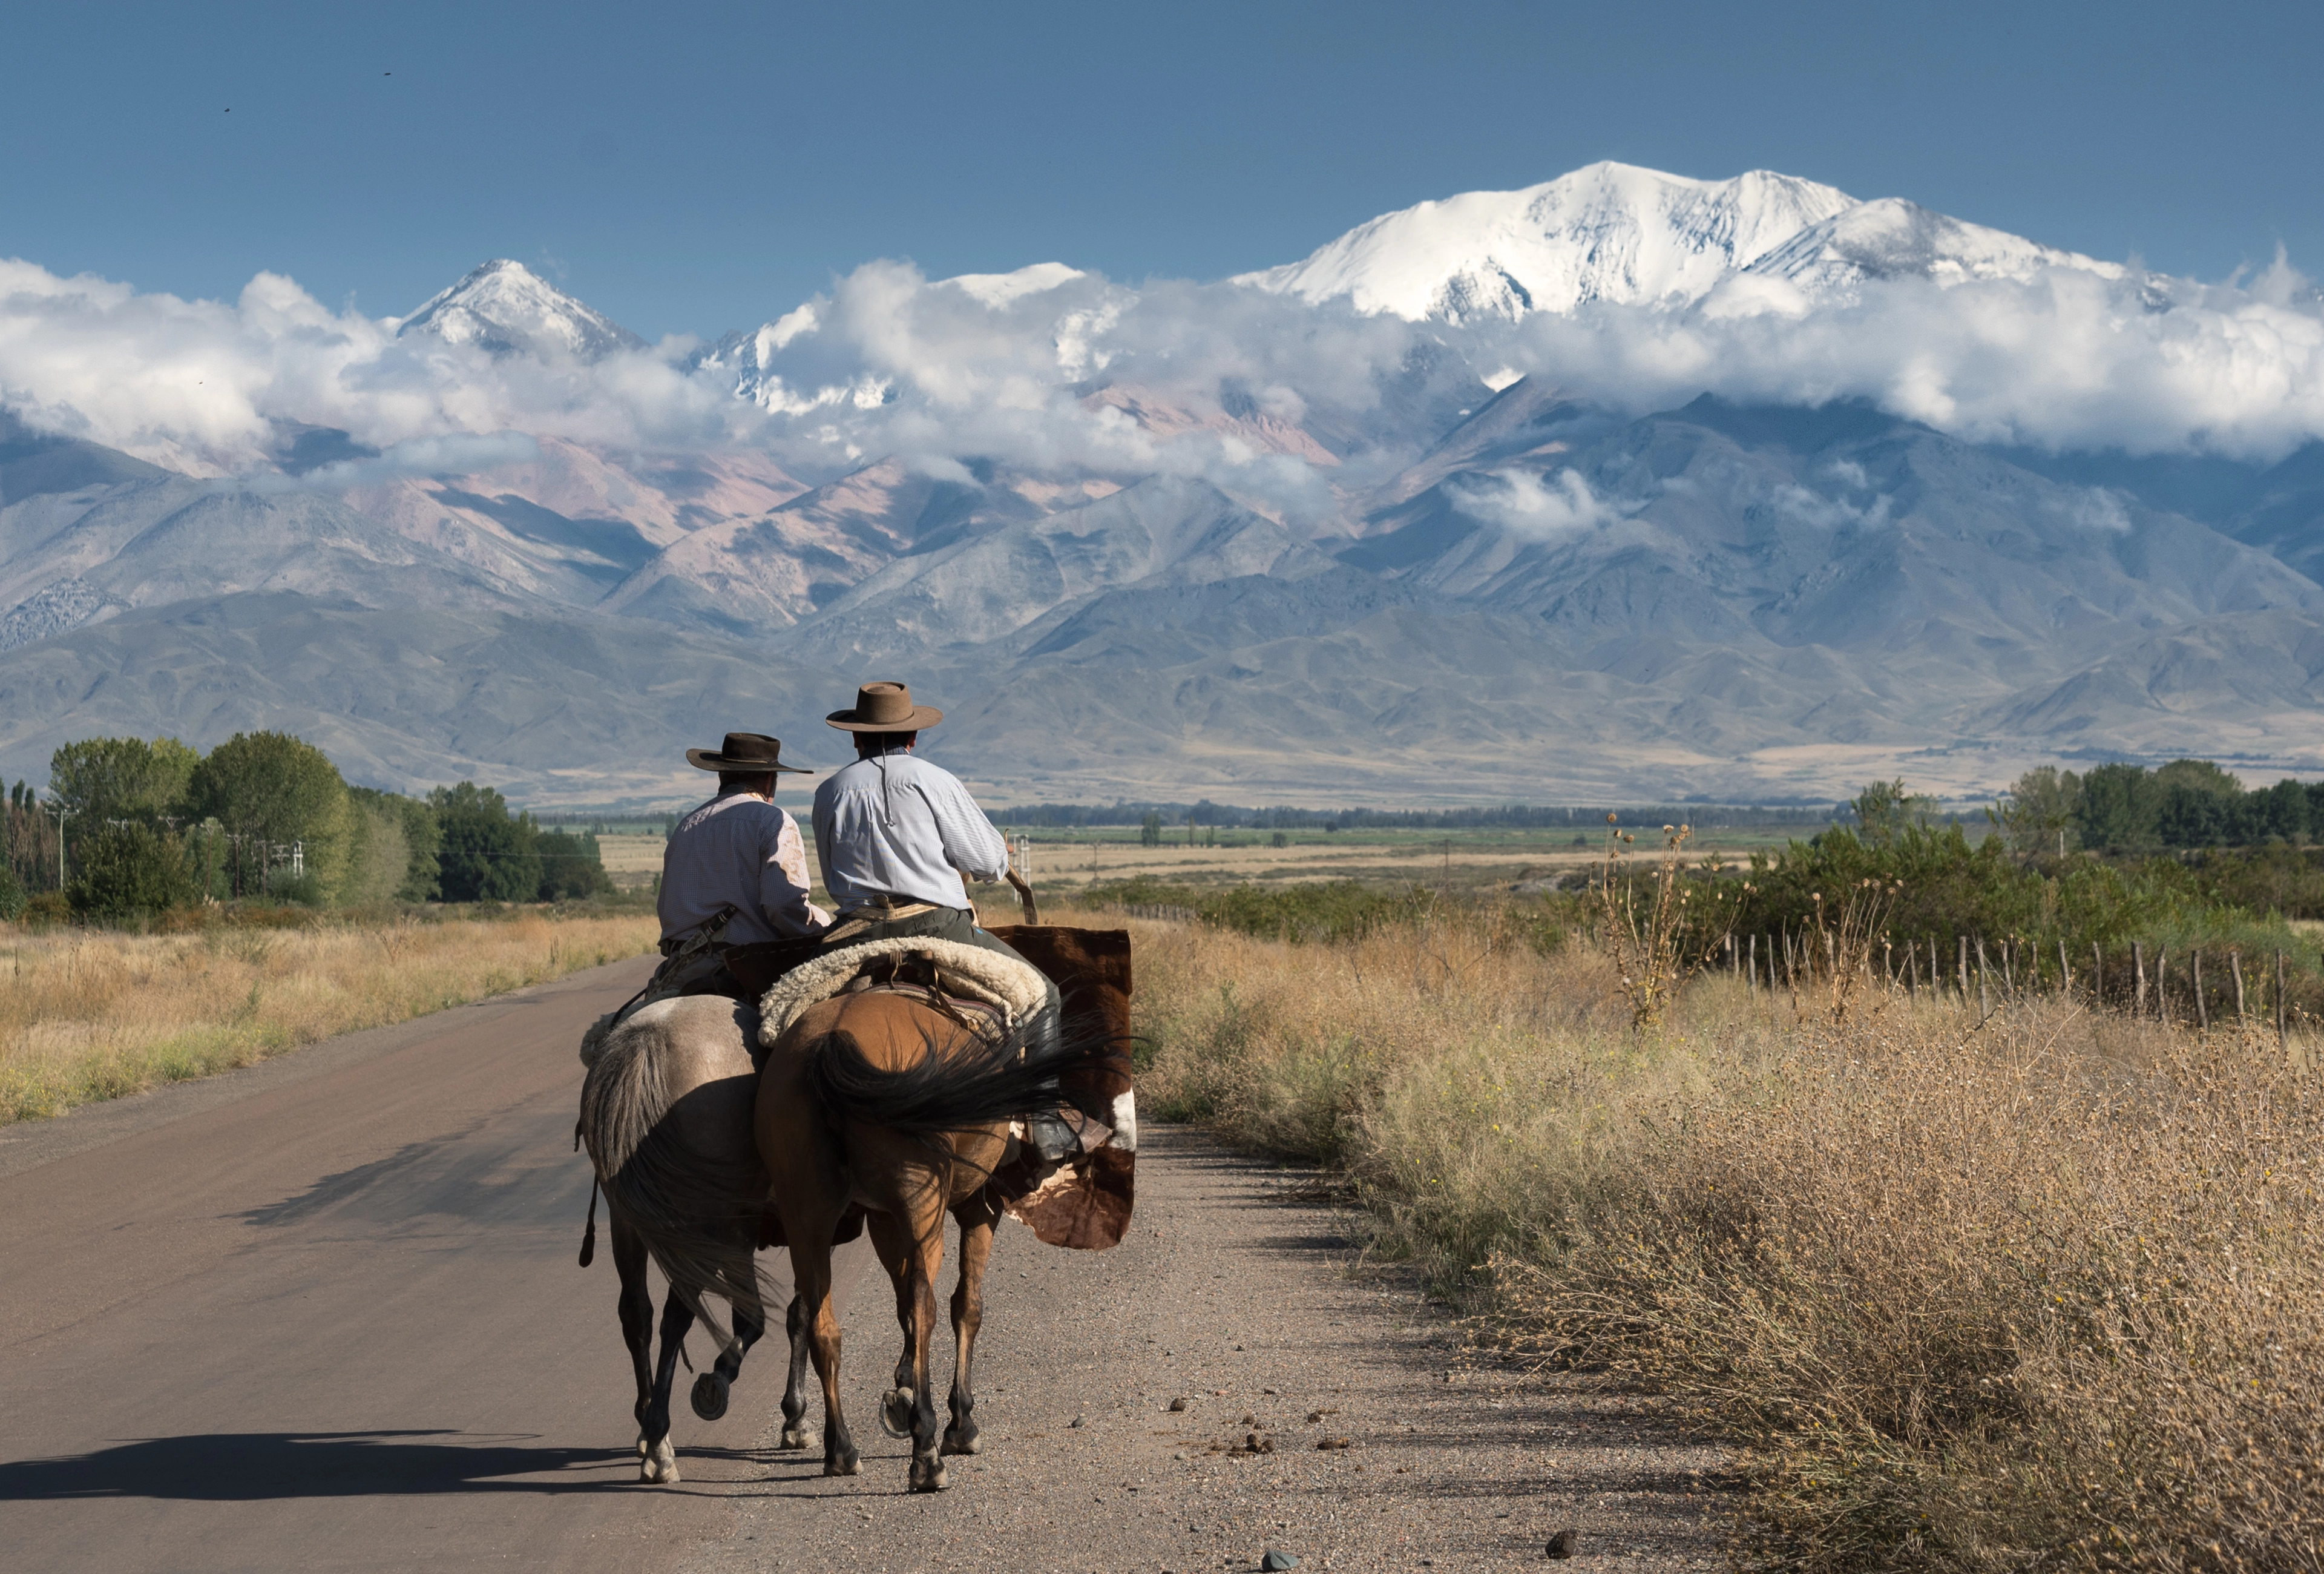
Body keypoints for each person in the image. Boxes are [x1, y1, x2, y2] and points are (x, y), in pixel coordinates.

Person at [812, 682, 1071, 1154]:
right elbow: (989, 862)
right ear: (913, 737)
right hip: (937, 928)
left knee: (781, 1011)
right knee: (1042, 996)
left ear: (855, 738)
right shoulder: (934, 780)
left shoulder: (830, 791)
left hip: (855, 933)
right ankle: (1047, 1125)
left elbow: (832, 877)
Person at [656, 731, 830, 996]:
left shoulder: (687, 825)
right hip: (744, 966)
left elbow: (668, 908)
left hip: (680, 967)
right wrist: (822, 928)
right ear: (769, 780)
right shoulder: (773, 821)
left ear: (721, 775)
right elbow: (784, 907)